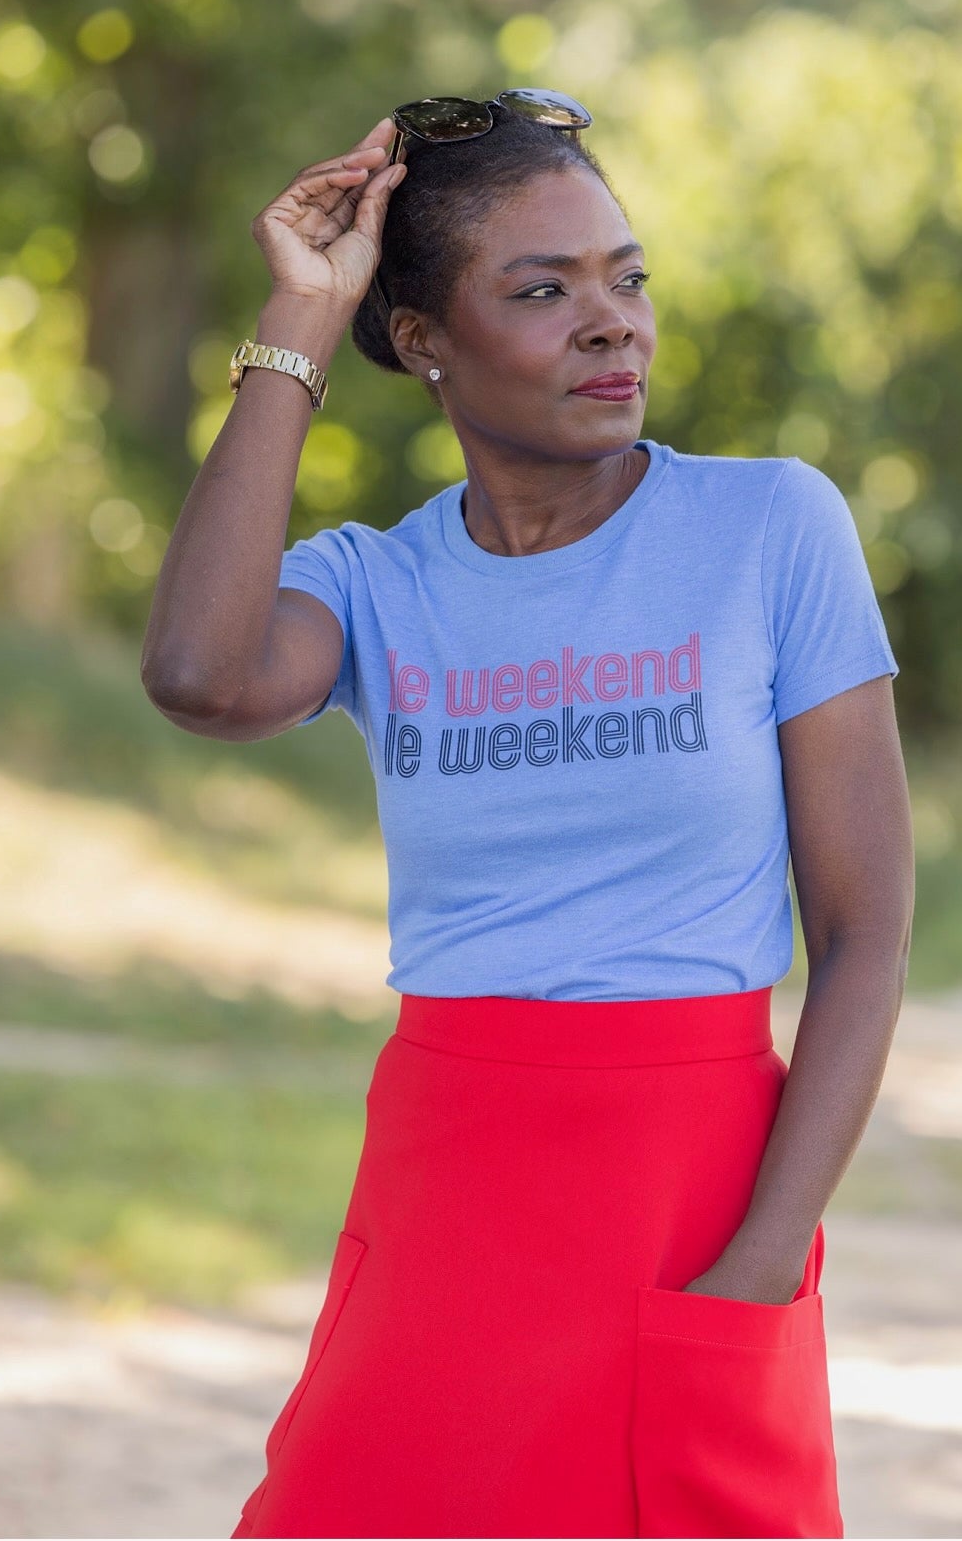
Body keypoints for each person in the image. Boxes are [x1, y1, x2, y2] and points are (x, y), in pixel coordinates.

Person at [141, 92, 915, 1540]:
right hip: (445, 1191)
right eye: (541, 289)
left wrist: (761, 1260)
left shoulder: (770, 527)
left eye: (625, 276)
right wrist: (300, 323)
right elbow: (200, 672)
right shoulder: (375, 582)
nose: (610, 320)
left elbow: (864, 932)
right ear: (423, 339)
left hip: (687, 1191)